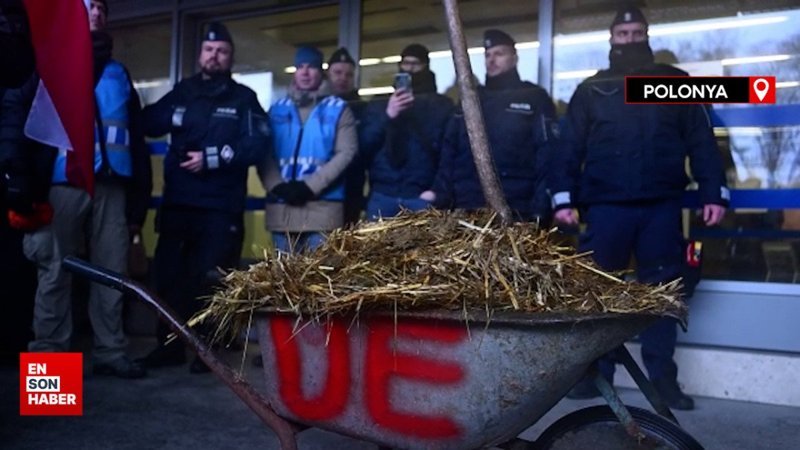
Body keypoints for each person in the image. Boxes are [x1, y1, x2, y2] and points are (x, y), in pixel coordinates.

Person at [549, 5, 729, 410]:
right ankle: (595, 376)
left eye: (636, 32)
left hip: (661, 208)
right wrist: (563, 198)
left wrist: (713, 193)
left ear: (648, 34)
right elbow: (567, 151)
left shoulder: (674, 83)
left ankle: (664, 383)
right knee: (598, 297)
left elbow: (703, 143)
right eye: (622, 33)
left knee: (663, 296)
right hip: (607, 208)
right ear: (611, 39)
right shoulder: (592, 89)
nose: (629, 39)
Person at [21, 0, 150, 378]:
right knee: (55, 273)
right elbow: (25, 130)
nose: (97, 13)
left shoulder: (119, 74)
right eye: (89, 6)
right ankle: (50, 375)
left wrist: (139, 203)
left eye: (102, 10)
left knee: (111, 273)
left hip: (111, 189)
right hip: (63, 185)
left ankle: (110, 352)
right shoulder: (49, 61)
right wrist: (27, 191)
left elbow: (137, 142)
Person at [139, 22, 270, 373]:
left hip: (219, 207)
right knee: (168, 278)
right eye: (209, 50)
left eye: (222, 51)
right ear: (200, 55)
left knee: (211, 280)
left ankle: (206, 353)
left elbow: (259, 143)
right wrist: (169, 111)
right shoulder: (183, 91)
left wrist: (213, 157)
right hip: (178, 204)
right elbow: (148, 123)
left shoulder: (243, 99)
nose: (214, 56)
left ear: (230, 58)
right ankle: (167, 347)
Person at [430, 30, 557, 223]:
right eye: (488, 55)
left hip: (517, 205)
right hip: (468, 204)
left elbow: (547, 155)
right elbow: (449, 151)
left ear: (514, 58)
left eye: (499, 54)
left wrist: (541, 209)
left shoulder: (533, 97)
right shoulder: (471, 99)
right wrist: (441, 198)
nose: (492, 60)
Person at [260, 46, 357, 253]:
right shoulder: (277, 109)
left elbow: (346, 152)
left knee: (318, 281)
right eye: (300, 67)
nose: (304, 72)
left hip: (323, 210)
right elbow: (263, 153)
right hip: (282, 208)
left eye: (311, 67)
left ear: (320, 72)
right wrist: (276, 186)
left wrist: (309, 186)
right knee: (280, 281)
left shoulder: (337, 108)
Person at [359, 43, 453, 220]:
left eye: (415, 64)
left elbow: (449, 153)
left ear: (426, 66)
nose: (409, 68)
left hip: (422, 195)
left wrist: (437, 191)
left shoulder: (441, 106)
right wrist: (388, 115)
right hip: (383, 193)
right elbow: (364, 146)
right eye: (405, 63)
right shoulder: (380, 104)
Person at [326, 47, 368, 225]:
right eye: (337, 72)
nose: (343, 78)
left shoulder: (364, 110)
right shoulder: (316, 107)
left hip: (352, 188)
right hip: (321, 191)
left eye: (349, 74)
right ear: (327, 74)